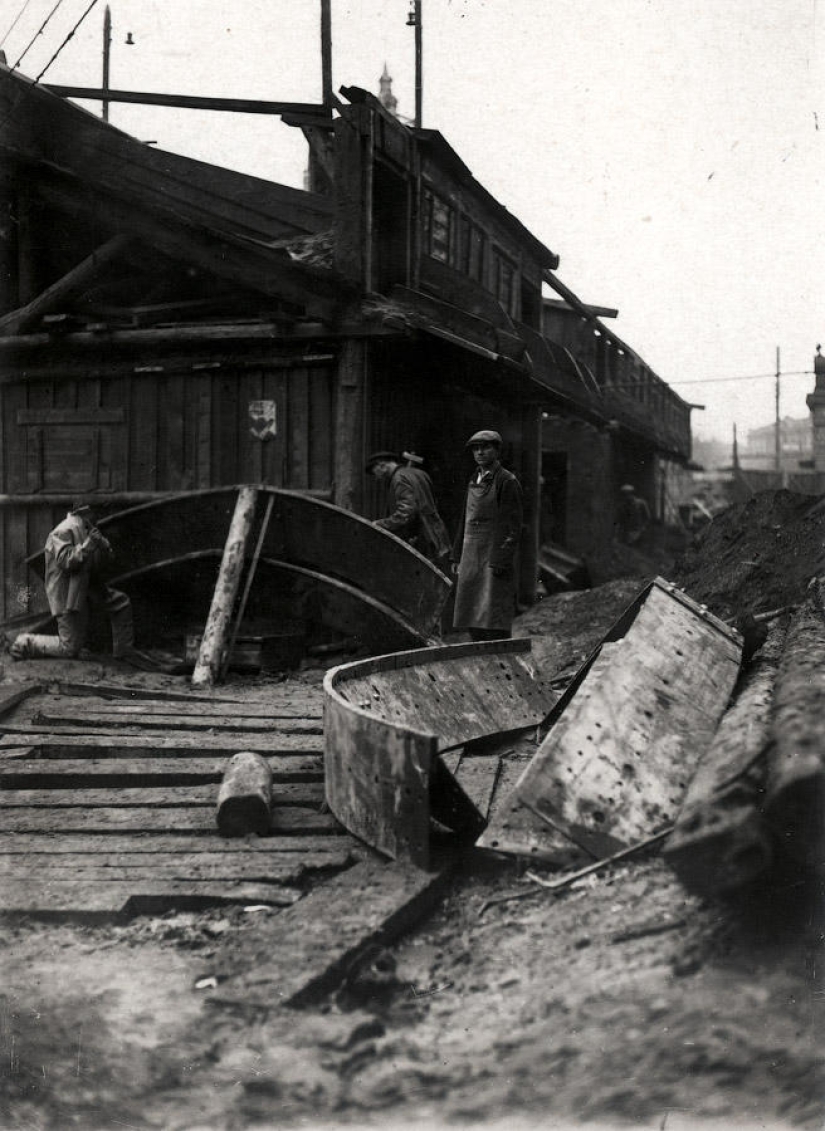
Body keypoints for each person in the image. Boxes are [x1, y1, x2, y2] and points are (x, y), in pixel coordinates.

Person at [10, 502, 135, 662]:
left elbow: (101, 562)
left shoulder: (87, 529)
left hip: (87, 588)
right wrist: (89, 545)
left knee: (120, 603)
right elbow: (67, 562)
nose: (98, 516)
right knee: (70, 647)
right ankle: (25, 642)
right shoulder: (62, 531)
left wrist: (105, 548)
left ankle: (124, 653)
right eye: (95, 512)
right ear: (84, 512)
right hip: (68, 595)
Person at [452, 430, 523, 641]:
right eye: (476, 448)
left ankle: (499, 658)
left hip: (494, 553)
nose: (480, 452)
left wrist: (501, 559)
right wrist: (456, 555)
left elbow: (513, 525)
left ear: (497, 451)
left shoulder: (507, 481)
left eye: (486, 447)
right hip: (470, 551)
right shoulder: (474, 478)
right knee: (471, 605)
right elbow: (464, 518)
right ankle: (478, 651)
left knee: (493, 609)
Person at [365, 450, 452, 568]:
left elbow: (406, 514)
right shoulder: (421, 474)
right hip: (438, 536)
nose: (376, 477)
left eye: (374, 472)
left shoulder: (399, 479)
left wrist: (380, 524)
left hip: (422, 540)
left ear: (382, 465)